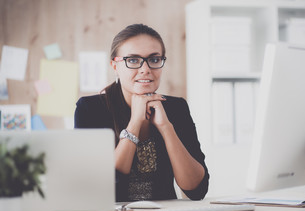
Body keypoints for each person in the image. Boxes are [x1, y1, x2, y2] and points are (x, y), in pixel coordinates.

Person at [74, 24, 209, 202]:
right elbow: (99, 188)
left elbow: (196, 190)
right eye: (133, 60)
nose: (145, 69)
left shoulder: (176, 108)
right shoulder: (90, 109)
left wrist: (166, 127)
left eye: (154, 60)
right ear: (115, 65)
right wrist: (135, 123)